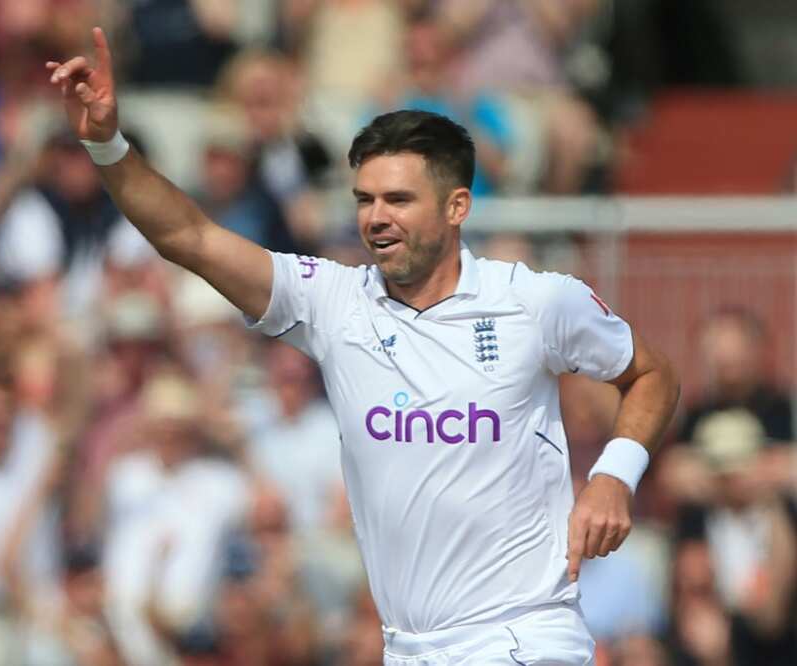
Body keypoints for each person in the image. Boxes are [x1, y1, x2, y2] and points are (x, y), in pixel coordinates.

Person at [46, 28, 680, 665]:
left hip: (524, 635)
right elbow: (189, 235)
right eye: (365, 200)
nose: (376, 217)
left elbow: (652, 374)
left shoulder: (535, 301)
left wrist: (612, 478)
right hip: (408, 648)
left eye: (399, 199)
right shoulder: (333, 303)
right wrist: (107, 143)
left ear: (457, 206)